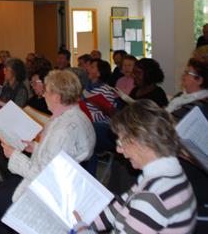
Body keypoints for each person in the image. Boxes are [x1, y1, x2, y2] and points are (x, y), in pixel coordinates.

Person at [0, 70, 95, 234]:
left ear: (56, 96)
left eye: (46, 91)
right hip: (64, 184)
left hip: (51, 192)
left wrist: (14, 155)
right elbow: (61, 155)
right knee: (0, 187)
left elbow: (45, 174)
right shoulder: (77, 116)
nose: (43, 95)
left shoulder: (63, 130)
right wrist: (35, 147)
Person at [73, 100, 197, 234]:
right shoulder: (164, 174)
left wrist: (82, 230)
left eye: (121, 142)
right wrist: (86, 221)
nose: (119, 150)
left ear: (142, 141)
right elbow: (120, 206)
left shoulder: (153, 196)